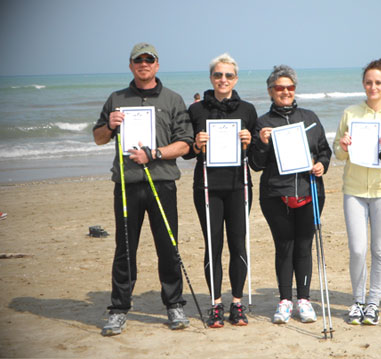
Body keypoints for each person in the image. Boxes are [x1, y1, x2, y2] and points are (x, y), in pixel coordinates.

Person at [93, 43, 194, 336]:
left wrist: (155, 154)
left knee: (168, 247)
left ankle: (174, 304)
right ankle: (119, 309)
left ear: (157, 65)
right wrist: (110, 126)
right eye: (139, 60)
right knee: (125, 249)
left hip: (162, 183)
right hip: (126, 185)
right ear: (131, 65)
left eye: (149, 60)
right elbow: (98, 138)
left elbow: (185, 143)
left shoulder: (173, 99)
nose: (144, 64)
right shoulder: (117, 98)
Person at [249, 65, 331, 324]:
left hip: (310, 192)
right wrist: (261, 144)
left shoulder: (310, 117)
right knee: (284, 246)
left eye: (290, 87)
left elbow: (324, 151)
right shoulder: (262, 123)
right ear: (271, 91)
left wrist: (322, 165)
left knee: (304, 246)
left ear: (295, 89)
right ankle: (285, 301)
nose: (285, 92)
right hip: (276, 196)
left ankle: (304, 301)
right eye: (279, 88)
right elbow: (255, 164)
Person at [333, 59, 381, 325]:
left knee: (379, 250)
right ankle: (357, 301)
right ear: (363, 84)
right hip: (353, 190)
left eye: (378, 82)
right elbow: (338, 152)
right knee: (357, 250)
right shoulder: (351, 113)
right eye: (368, 82)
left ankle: (373, 303)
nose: (373, 87)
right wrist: (343, 145)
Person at [185, 53, 257, 328]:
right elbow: (187, 155)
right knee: (213, 245)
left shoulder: (248, 110)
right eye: (218, 75)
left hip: (239, 186)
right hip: (206, 187)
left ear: (235, 79)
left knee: (238, 244)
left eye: (228, 75)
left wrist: (249, 141)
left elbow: (258, 154)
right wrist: (196, 144)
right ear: (211, 78)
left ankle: (236, 303)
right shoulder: (196, 110)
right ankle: (215, 304)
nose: (223, 79)